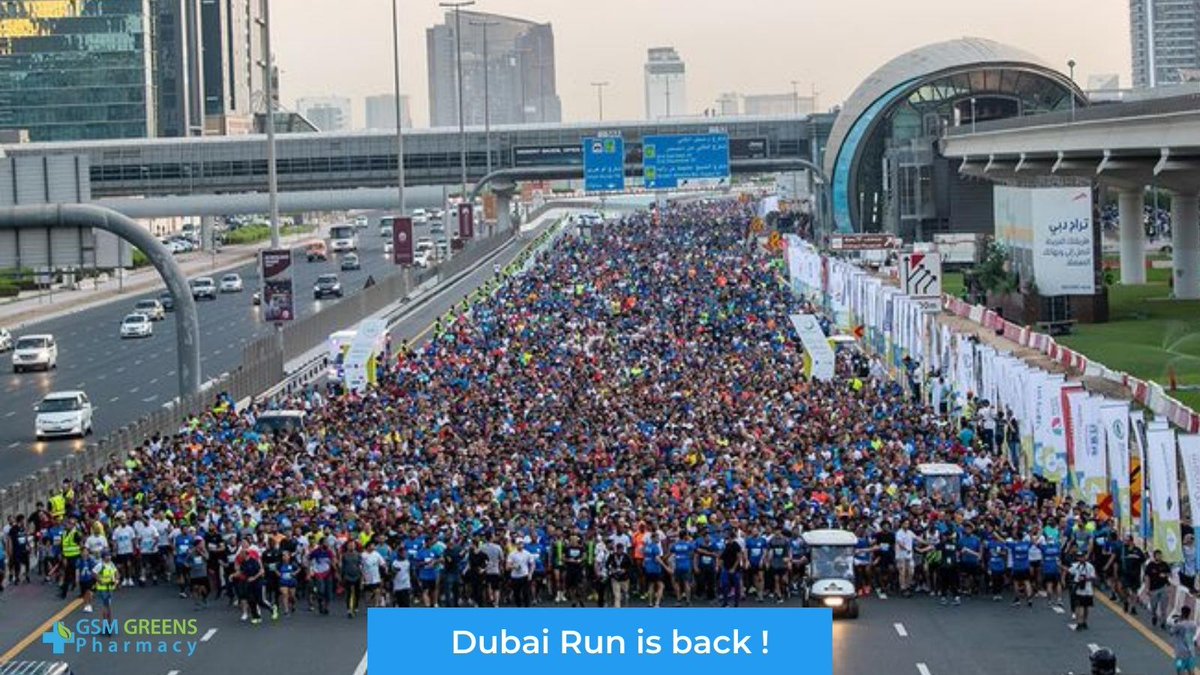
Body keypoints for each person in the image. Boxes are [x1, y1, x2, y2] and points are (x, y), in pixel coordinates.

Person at [1068, 552, 1096, 631]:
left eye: (1082, 557)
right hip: (1080, 589)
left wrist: (1085, 579)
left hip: (1087, 589)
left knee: (1084, 607)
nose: (1080, 558)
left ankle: (1082, 622)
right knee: (1081, 606)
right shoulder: (1076, 565)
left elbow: (1093, 577)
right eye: (1079, 557)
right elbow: (1069, 571)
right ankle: (1081, 622)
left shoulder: (1089, 566)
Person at [1146, 549, 1173, 628]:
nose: (1159, 557)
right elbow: (1147, 577)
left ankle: (1163, 622)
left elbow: (1170, 574)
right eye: (1158, 555)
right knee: (1153, 606)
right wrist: (1147, 588)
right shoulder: (1150, 565)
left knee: (1163, 607)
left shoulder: (1164, 564)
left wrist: (1165, 575)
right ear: (1154, 556)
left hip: (1163, 587)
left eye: (1160, 555)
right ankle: (1154, 615)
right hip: (1153, 588)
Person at [94, 551, 120, 634]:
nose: (109, 557)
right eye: (107, 556)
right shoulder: (100, 565)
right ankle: (106, 626)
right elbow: (94, 573)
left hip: (110, 588)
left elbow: (116, 573)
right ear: (103, 557)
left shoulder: (111, 564)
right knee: (106, 606)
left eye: (109, 555)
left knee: (108, 607)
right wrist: (100, 580)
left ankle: (108, 625)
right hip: (103, 589)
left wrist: (116, 581)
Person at [1168, 605, 1198, 675]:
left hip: (1180, 653)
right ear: (1189, 613)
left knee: (1179, 670)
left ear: (1182, 613)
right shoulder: (1193, 624)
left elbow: (1171, 632)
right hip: (1191, 652)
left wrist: (1176, 621)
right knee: (1191, 671)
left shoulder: (1179, 625)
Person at [608, 542, 633, 608]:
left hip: (625, 578)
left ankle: (625, 607)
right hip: (615, 578)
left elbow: (630, 566)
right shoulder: (612, 556)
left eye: (621, 549)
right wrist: (612, 569)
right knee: (617, 595)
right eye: (618, 549)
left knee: (625, 595)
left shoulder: (626, 556)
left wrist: (625, 570)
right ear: (616, 549)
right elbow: (607, 564)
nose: (620, 551)